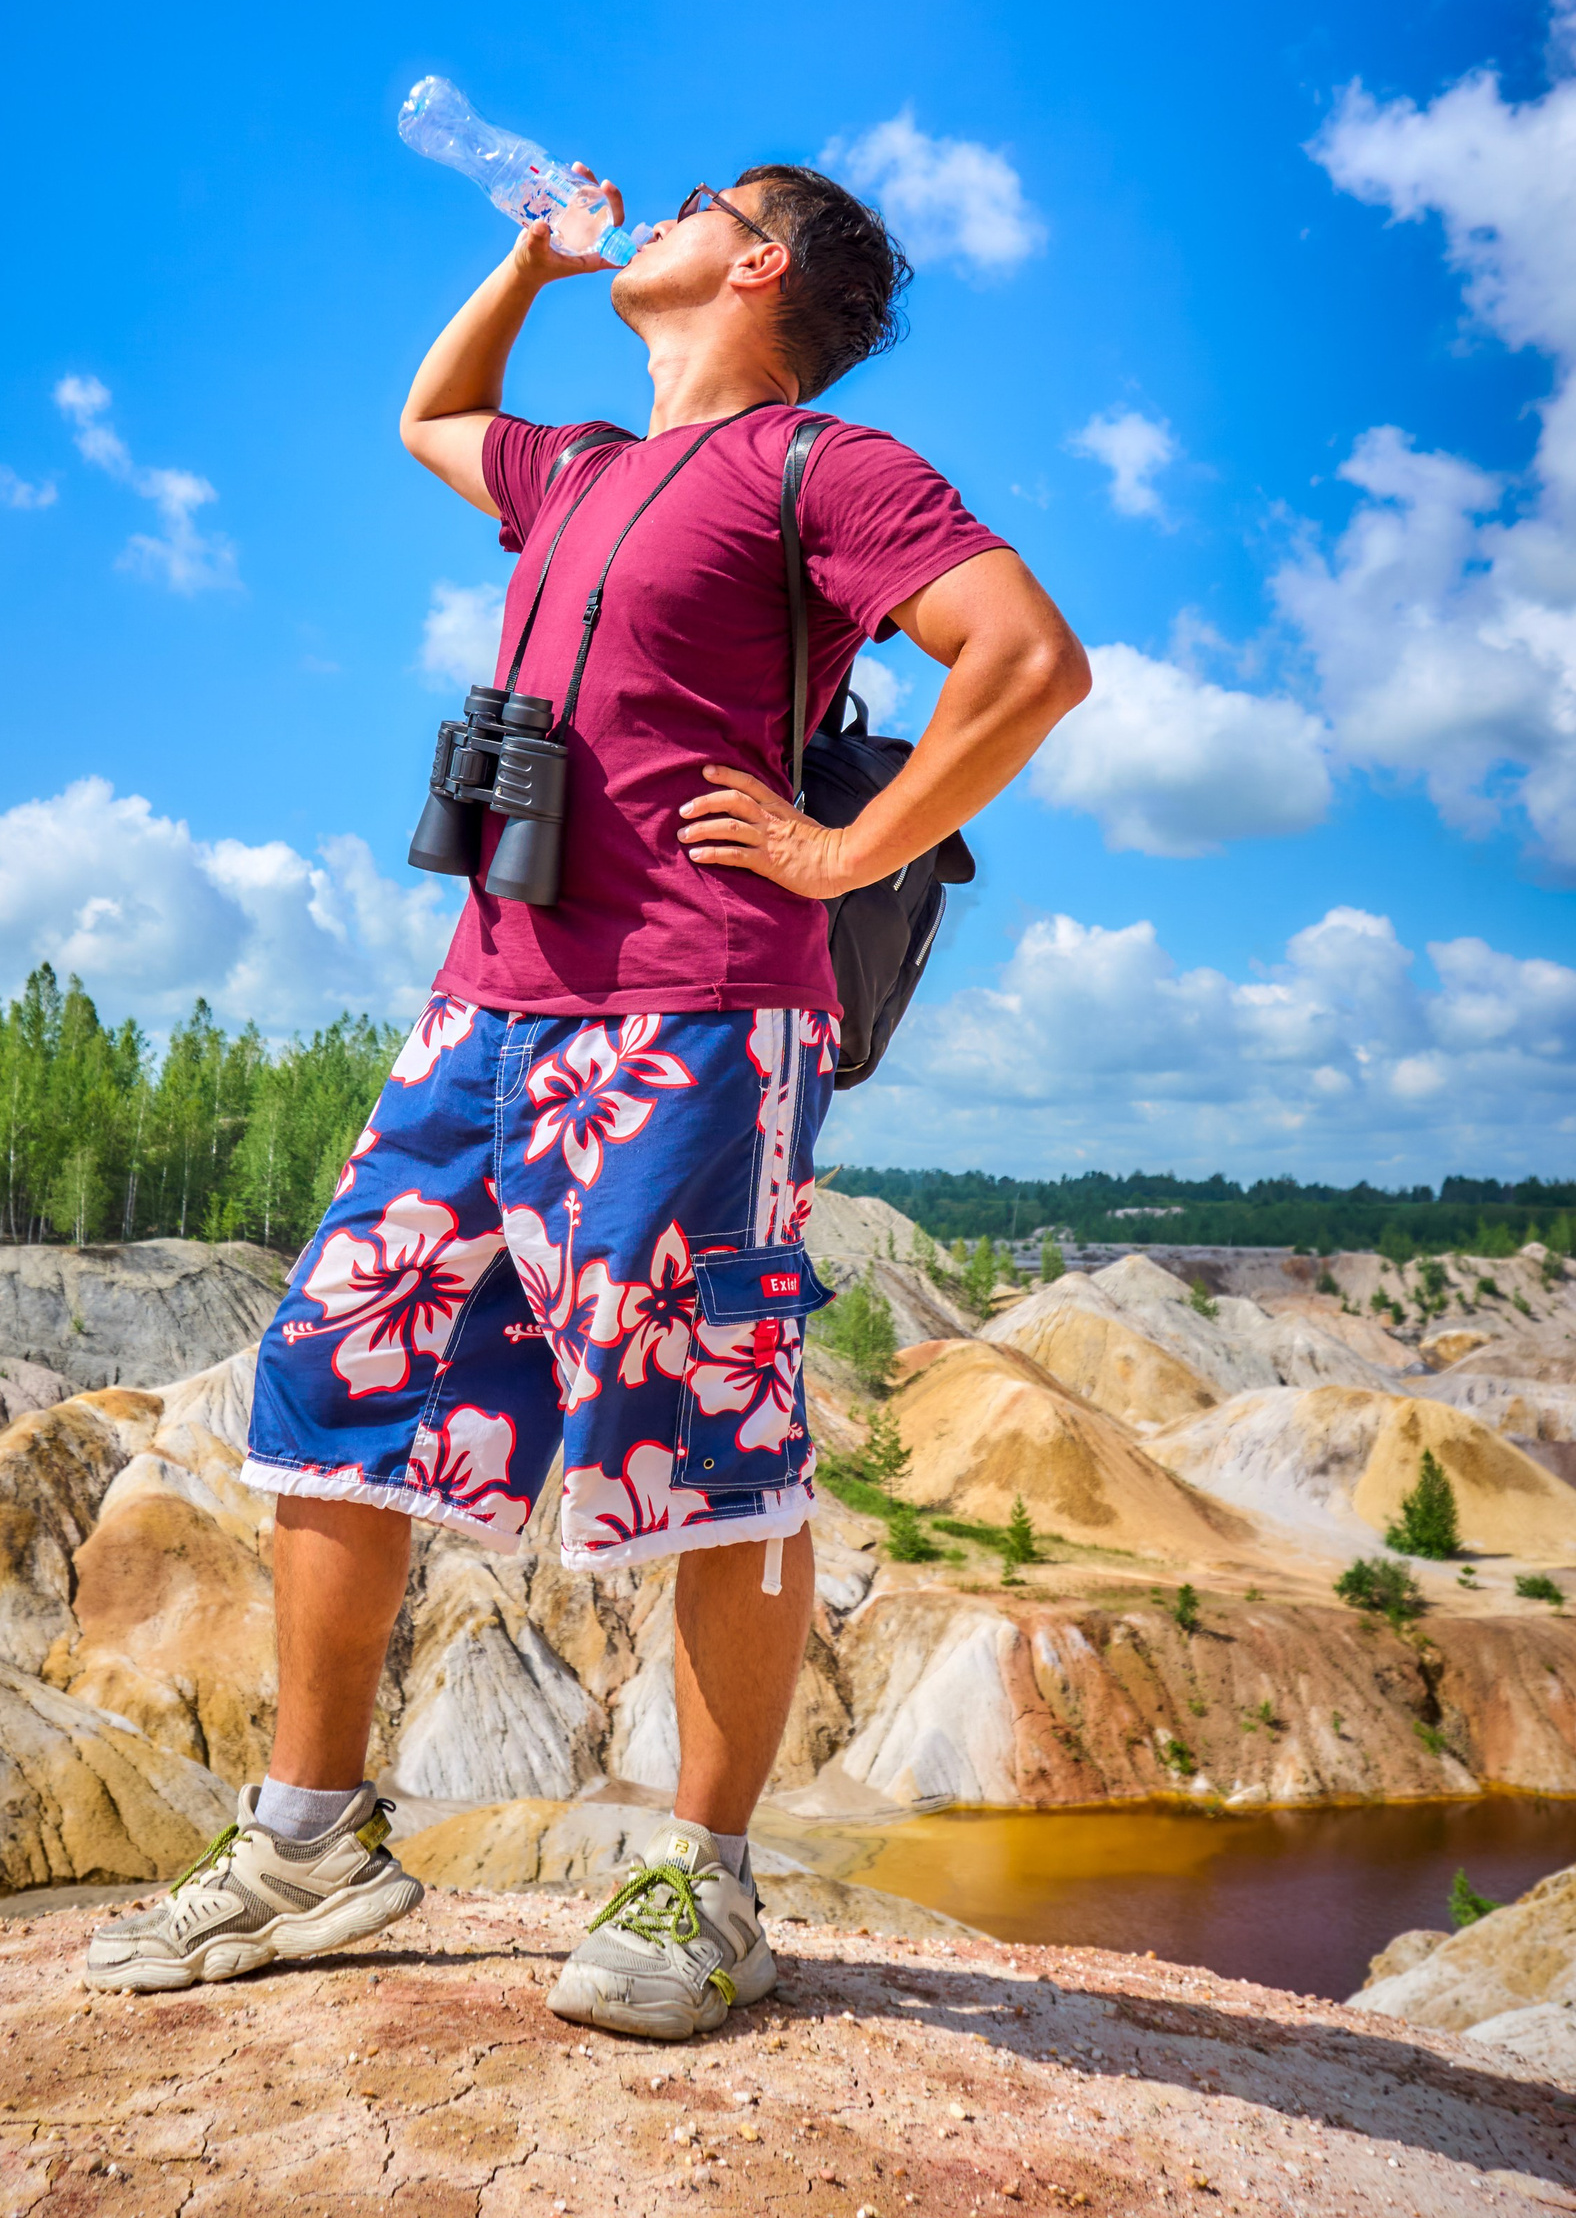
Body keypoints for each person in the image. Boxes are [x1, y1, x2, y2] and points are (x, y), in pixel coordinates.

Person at [86, 159, 1089, 2034]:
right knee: (333, 1379)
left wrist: (843, 849)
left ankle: (703, 1883)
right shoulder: (581, 471)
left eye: (701, 201)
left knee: (706, 1428)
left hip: (697, 1018)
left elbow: (1030, 660)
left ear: (759, 266)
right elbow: (433, 417)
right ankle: (309, 1846)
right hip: (481, 1010)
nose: (663, 210)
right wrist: (528, 264)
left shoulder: (825, 468)